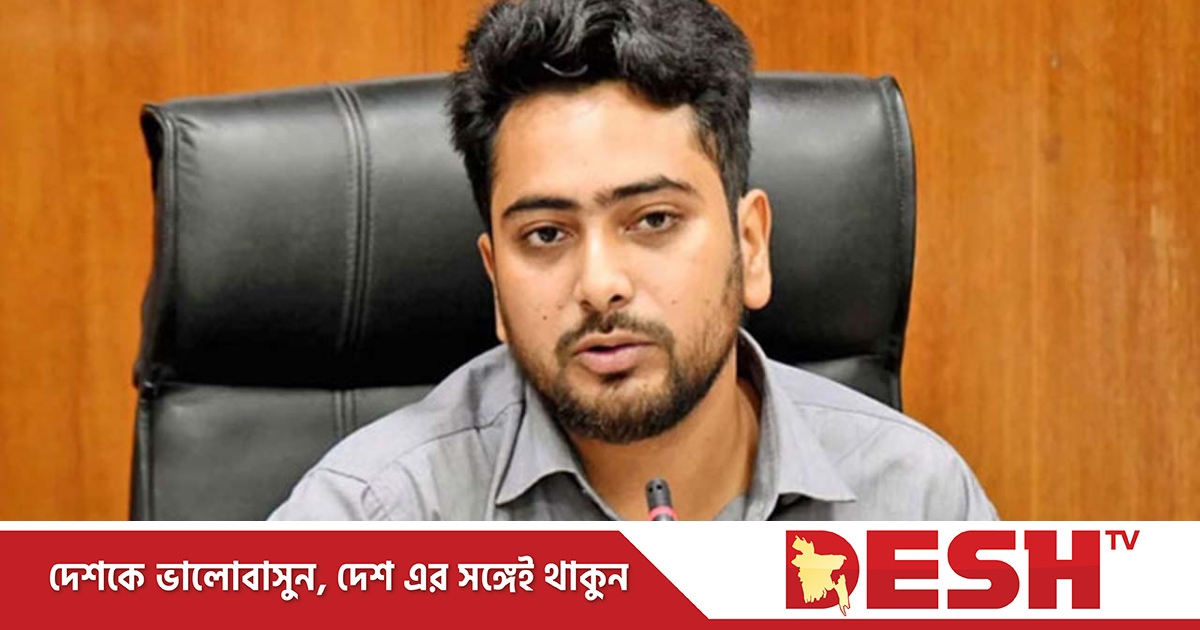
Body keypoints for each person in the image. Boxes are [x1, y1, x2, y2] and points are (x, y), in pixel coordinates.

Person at [269, 0, 997, 521]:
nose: (600, 285)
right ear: (495, 283)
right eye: (546, 235)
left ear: (750, 246)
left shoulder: (916, 503)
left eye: (653, 220)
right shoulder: (374, 517)